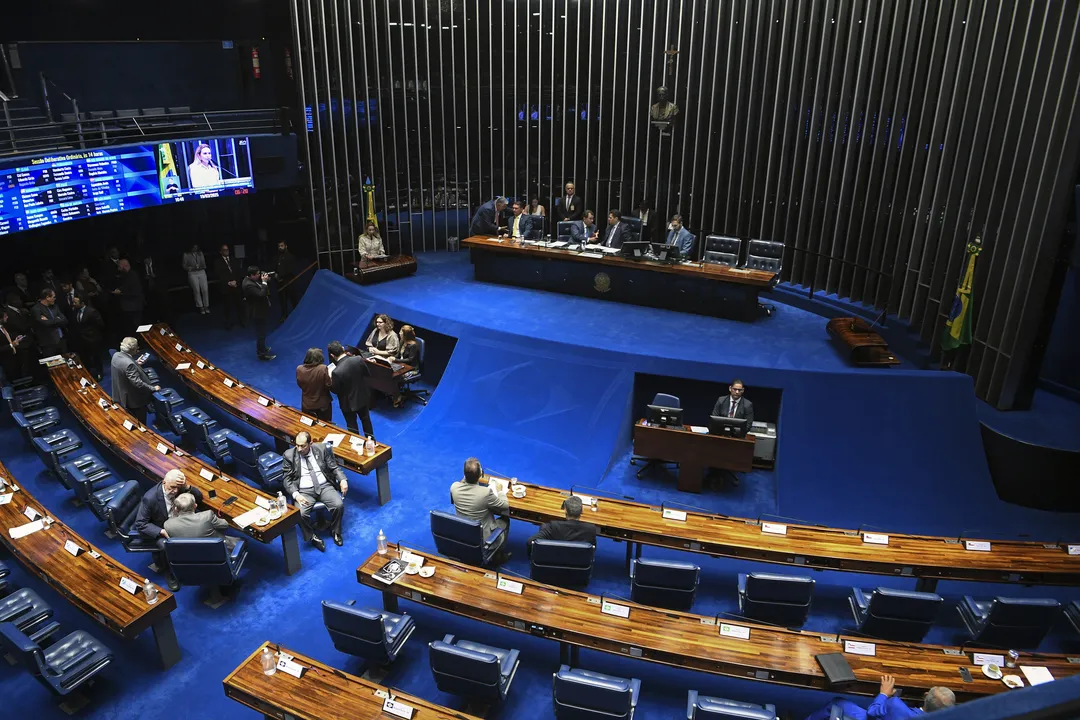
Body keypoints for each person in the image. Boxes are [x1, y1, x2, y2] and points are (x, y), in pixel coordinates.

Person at [134, 469, 204, 591]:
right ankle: (169, 572)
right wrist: (161, 531)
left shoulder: (178, 488)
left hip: (179, 522)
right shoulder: (150, 498)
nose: (175, 491)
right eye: (172, 487)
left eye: (178, 487)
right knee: (168, 546)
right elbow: (140, 523)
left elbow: (199, 497)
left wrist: (186, 486)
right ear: (164, 482)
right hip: (161, 529)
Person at [282, 431, 348, 550]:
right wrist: (296, 495)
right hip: (304, 491)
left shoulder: (322, 449)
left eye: (303, 446)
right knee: (300, 514)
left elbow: (334, 467)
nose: (299, 449)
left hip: (324, 486)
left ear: (310, 443)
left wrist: (342, 479)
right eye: (297, 445)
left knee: (338, 505)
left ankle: (335, 531)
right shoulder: (289, 455)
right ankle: (311, 536)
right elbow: (287, 479)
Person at [804, 674, 955, 720]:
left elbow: (872, 712)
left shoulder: (896, 705)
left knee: (838, 702)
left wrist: (884, 694)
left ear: (925, 695)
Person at [450, 458, 510, 561]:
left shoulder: (454, 487)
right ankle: (497, 557)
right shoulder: (485, 493)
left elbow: (453, 501)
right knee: (505, 520)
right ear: (481, 474)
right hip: (484, 539)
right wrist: (500, 492)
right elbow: (504, 505)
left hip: (463, 534)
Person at [328, 340, 375, 437]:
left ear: (332, 355)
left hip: (347, 404)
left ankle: (356, 444)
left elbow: (335, 390)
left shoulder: (336, 372)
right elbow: (367, 374)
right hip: (362, 396)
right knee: (366, 420)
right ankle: (371, 441)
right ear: (343, 349)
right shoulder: (358, 359)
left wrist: (330, 379)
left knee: (352, 425)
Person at [163, 492, 238, 551]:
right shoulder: (207, 516)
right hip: (215, 552)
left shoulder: (168, 525)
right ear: (195, 506)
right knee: (241, 541)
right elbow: (225, 525)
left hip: (189, 556)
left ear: (176, 509)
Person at [110, 336, 160, 424]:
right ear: (133, 349)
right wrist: (153, 388)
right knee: (141, 423)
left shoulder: (116, 355)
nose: (138, 348)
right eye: (137, 347)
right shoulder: (129, 364)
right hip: (134, 400)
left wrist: (136, 362)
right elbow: (138, 383)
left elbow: (123, 367)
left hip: (121, 394)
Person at [525, 495, 596, 556]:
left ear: (565, 510)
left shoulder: (553, 527)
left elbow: (530, 542)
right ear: (582, 511)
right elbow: (592, 549)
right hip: (579, 565)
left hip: (553, 562)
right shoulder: (591, 529)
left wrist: (533, 557)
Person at [241, 266, 275, 361]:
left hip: (260, 310)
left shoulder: (250, 280)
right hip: (257, 312)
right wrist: (264, 282)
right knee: (261, 333)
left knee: (262, 332)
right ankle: (262, 354)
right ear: (251, 275)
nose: (259, 276)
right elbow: (261, 294)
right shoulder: (248, 285)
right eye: (257, 274)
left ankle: (262, 348)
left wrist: (264, 281)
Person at [71, 294, 105, 380]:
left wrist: (92, 333)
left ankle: (99, 373)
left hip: (92, 339)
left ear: (82, 303)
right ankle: (88, 374)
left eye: (75, 302)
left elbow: (100, 324)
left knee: (95, 357)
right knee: (84, 358)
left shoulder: (91, 311)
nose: (73, 304)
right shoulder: (75, 311)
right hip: (81, 340)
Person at [296, 347, 333, 422]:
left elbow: (300, 384)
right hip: (322, 406)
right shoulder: (322, 368)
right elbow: (329, 385)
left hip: (306, 405)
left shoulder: (299, 369)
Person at [213, 244, 245, 329]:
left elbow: (239, 272)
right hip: (226, 288)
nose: (226, 251)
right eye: (224, 250)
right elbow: (219, 275)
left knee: (239, 305)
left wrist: (236, 281)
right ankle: (228, 323)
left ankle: (242, 321)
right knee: (227, 307)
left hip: (236, 286)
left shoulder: (234, 260)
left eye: (227, 250)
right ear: (221, 252)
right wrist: (228, 282)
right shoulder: (218, 262)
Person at [111, 258, 144, 335]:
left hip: (134, 307)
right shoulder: (125, 276)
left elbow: (135, 291)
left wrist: (121, 292)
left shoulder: (133, 275)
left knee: (135, 328)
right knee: (129, 328)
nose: (118, 268)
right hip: (128, 307)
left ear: (124, 266)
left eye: (119, 266)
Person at [31, 288, 68, 357]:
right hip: (48, 343)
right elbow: (45, 323)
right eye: (54, 297)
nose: (55, 299)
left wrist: (50, 320)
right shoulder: (36, 309)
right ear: (47, 297)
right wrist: (57, 319)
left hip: (61, 340)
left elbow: (65, 320)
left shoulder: (55, 307)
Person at [392, 325, 420, 408]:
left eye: (401, 332)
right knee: (388, 372)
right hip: (401, 365)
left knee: (395, 377)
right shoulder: (402, 341)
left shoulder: (413, 345)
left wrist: (396, 360)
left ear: (406, 335)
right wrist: (392, 358)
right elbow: (398, 354)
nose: (399, 333)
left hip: (412, 368)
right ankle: (395, 393)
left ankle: (398, 396)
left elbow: (410, 360)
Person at [0, 310, 28, 381]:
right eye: (5, 316)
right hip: (5, 360)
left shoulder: (2, 327)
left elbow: (6, 338)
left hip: (13, 357)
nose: (7, 317)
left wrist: (16, 339)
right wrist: (12, 345)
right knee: (13, 379)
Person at [182, 243, 210, 315]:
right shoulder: (186, 254)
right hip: (192, 273)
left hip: (201, 272)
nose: (195, 248)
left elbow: (204, 264)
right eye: (194, 247)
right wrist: (190, 268)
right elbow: (184, 265)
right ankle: (201, 307)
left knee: (205, 289)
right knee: (197, 290)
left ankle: (206, 306)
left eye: (196, 247)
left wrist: (201, 266)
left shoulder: (200, 253)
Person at [274, 240, 298, 320]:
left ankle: (297, 313)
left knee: (293, 298)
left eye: (282, 246)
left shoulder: (290, 257)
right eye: (279, 246)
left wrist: (281, 275)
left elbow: (292, 269)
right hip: (280, 282)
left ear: (286, 246)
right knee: (282, 300)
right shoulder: (277, 256)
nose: (280, 248)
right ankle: (284, 315)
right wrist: (276, 275)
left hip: (289, 281)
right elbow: (275, 267)